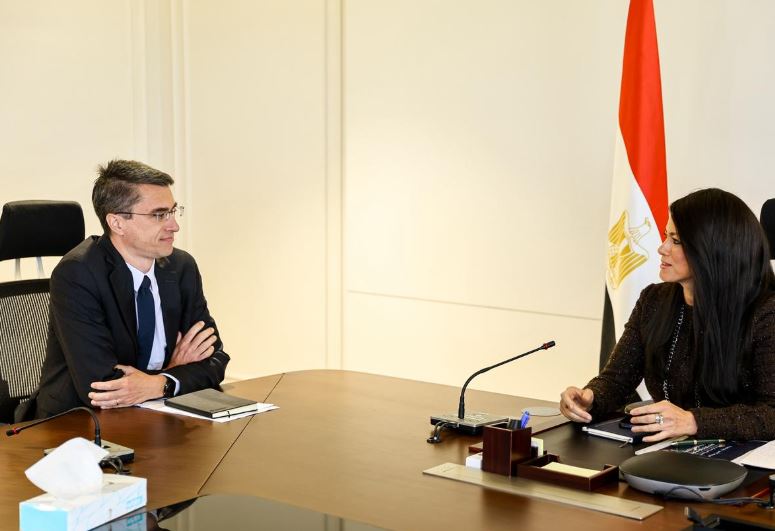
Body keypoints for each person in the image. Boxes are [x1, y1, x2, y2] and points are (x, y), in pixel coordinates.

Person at [560, 188, 775, 442]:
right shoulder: (653, 300)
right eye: (665, 236)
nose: (662, 248)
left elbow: (771, 413)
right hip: (671, 449)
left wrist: (693, 421)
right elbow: (617, 379)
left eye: (676, 240)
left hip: (746, 456)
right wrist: (590, 398)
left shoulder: (766, 313)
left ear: (713, 248)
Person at [29, 160, 229, 419]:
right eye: (159, 215)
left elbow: (215, 359)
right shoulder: (78, 273)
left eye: (173, 211)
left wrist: (159, 383)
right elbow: (101, 387)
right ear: (117, 223)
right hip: (79, 422)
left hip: (159, 416)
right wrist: (171, 373)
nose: (174, 225)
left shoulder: (181, 267)